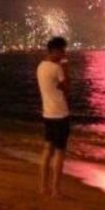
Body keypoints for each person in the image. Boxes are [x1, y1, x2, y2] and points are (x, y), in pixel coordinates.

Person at [36, 37, 71, 197]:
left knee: (47, 150)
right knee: (59, 152)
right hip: (60, 115)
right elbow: (67, 88)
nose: (64, 53)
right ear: (56, 50)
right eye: (62, 50)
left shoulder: (40, 67)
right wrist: (66, 68)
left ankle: (43, 187)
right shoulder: (57, 68)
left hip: (47, 114)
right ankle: (55, 190)